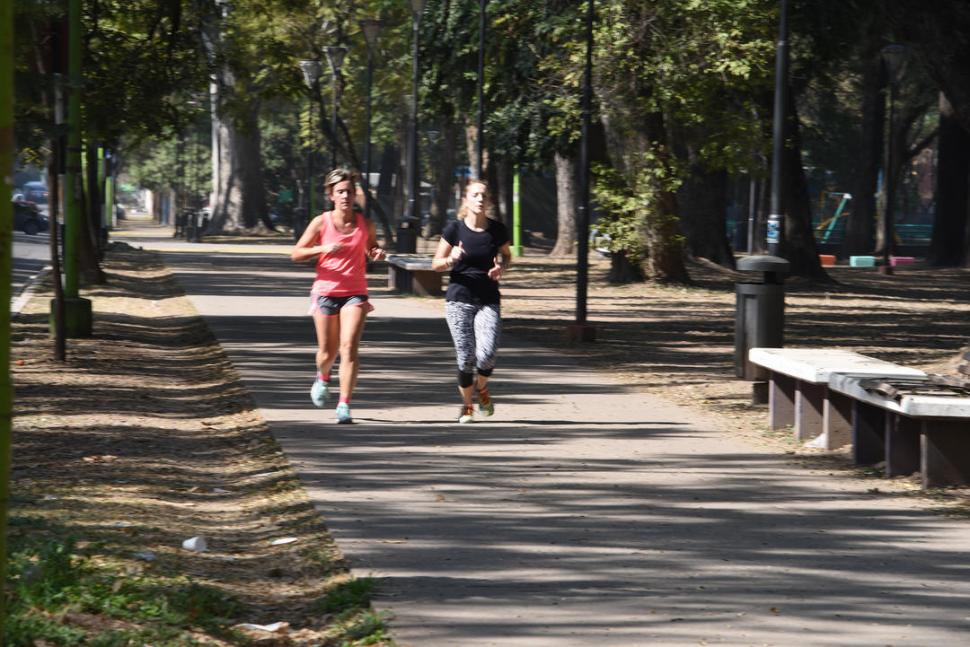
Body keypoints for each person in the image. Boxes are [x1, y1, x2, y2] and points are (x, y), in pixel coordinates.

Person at [291, 168, 386, 424]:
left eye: (349, 191)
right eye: (340, 192)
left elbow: (372, 247)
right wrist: (324, 248)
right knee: (327, 352)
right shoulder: (321, 222)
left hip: (355, 292)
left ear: (355, 195)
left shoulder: (365, 224)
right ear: (331, 195)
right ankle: (323, 377)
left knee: (349, 348)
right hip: (325, 292)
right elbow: (297, 253)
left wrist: (377, 253)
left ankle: (344, 404)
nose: (345, 196)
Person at [432, 180, 511, 423]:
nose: (480, 199)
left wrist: (501, 268)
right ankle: (467, 406)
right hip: (459, 299)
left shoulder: (497, 230)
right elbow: (435, 264)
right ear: (465, 200)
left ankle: (482, 388)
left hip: (488, 299)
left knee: (487, 354)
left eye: (484, 195)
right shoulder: (454, 230)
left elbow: (507, 256)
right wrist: (451, 259)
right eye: (475, 195)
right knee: (466, 357)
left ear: (488, 201)